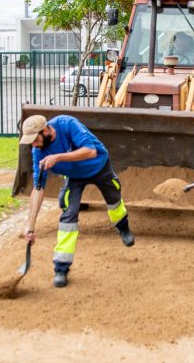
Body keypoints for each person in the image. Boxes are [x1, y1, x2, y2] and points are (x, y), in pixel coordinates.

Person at [20, 114, 134, 288]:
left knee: (114, 199)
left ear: (45, 130)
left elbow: (90, 151)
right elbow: (38, 188)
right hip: (74, 177)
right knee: (68, 214)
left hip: (99, 165)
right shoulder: (38, 152)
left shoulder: (67, 124)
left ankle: (123, 228)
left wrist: (57, 157)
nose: (34, 145)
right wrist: (30, 225)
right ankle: (61, 268)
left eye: (35, 140)